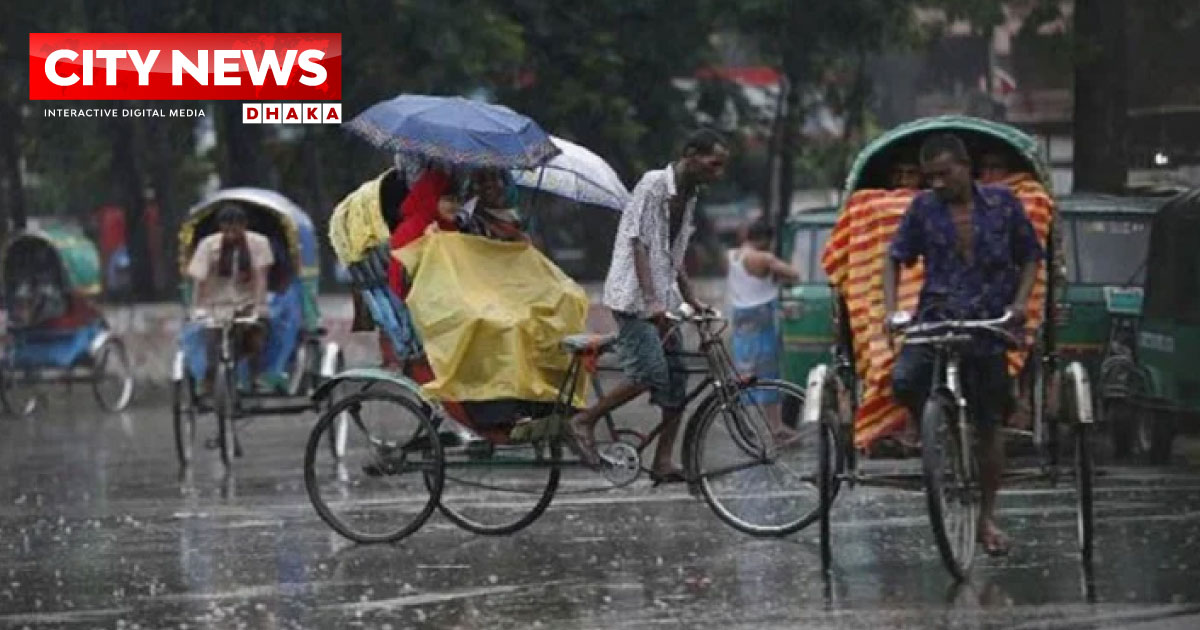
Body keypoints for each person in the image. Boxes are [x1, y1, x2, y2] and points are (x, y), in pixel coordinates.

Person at [883, 133, 1042, 556]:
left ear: (965, 166)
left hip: (989, 320)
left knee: (990, 422)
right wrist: (890, 309)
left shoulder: (1003, 205)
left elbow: (1030, 255)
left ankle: (986, 516)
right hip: (937, 315)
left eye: (943, 174)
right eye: (929, 176)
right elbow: (894, 256)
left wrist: (1021, 303)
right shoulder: (922, 208)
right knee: (904, 379)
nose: (936, 183)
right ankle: (937, 430)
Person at [567, 129, 730, 484]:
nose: (717, 174)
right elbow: (639, 242)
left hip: (663, 302)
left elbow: (673, 255)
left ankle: (663, 461)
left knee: (677, 383)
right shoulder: (654, 184)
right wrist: (652, 300)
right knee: (650, 373)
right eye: (713, 164)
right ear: (690, 154)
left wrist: (690, 298)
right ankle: (584, 420)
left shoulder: (690, 196)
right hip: (632, 298)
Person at [726, 218, 802, 445]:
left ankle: (745, 426)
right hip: (762, 321)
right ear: (766, 239)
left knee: (745, 373)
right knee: (769, 375)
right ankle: (775, 427)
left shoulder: (732, 256)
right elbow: (794, 274)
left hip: (740, 322)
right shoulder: (764, 258)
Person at [187, 204, 274, 390]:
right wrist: (198, 308)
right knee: (211, 341)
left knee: (257, 335)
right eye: (227, 230)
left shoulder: (259, 244)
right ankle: (209, 379)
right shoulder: (208, 246)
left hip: (248, 304)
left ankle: (255, 376)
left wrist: (259, 306)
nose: (231, 235)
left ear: (244, 226)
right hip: (216, 306)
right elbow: (200, 280)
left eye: (236, 230)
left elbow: (260, 277)